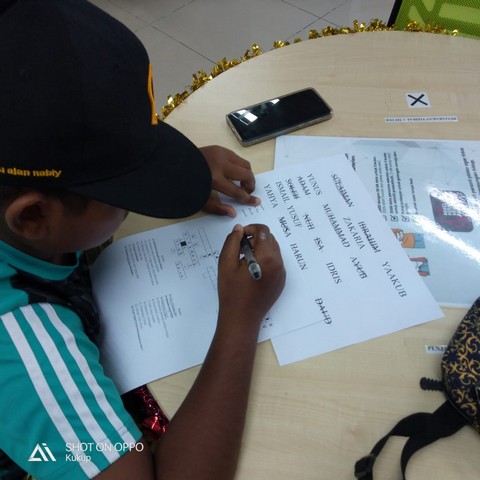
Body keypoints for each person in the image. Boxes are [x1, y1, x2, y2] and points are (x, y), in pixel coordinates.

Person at [0, 1, 286, 479]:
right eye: (124, 194)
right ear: (33, 216)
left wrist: (167, 171)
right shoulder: (24, 341)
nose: (138, 201)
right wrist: (241, 319)